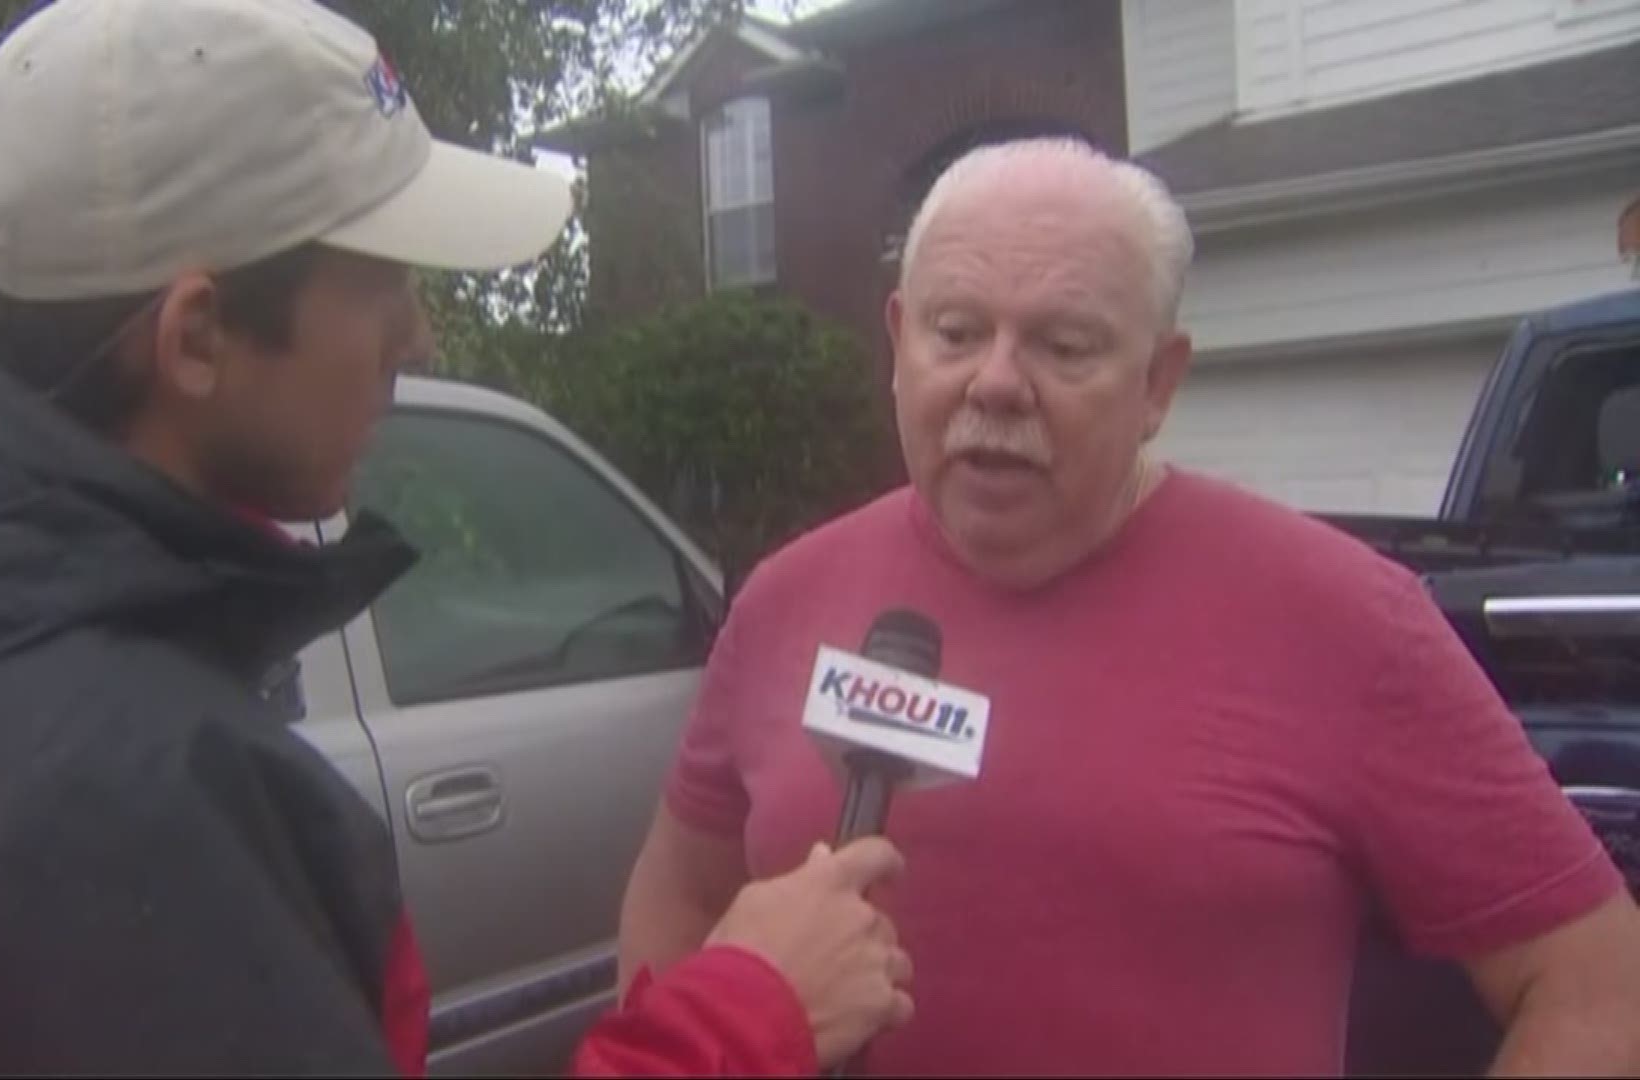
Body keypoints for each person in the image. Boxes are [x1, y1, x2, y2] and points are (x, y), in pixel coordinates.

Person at [0, 0, 914, 1074]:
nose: (422, 338)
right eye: (383, 284)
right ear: (196, 338)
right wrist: (750, 1016)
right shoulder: (124, 808)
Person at [617, 137, 1640, 1076]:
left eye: (1064, 346)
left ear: (1159, 381)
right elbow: (679, 899)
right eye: (956, 330)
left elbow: (1599, 988)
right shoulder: (787, 599)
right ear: (898, 340)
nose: (997, 383)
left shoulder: (1346, 620)